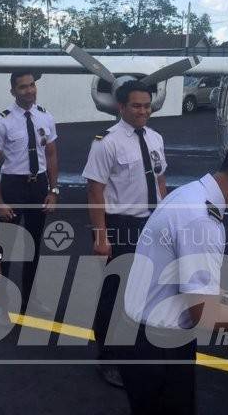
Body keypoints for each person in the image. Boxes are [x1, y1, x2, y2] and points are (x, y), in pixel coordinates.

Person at [120, 134, 228, 414]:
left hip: (143, 337)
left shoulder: (189, 194)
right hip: (159, 346)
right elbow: (205, 315)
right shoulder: (202, 221)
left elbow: (181, 285)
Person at [82, 80, 168, 388]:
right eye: (136, 105)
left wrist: (165, 218)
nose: (143, 110)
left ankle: (137, 348)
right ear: (121, 107)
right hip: (121, 224)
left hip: (151, 224)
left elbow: (160, 181)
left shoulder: (156, 138)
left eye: (147, 105)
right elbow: (95, 191)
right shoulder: (106, 142)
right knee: (114, 294)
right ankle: (108, 358)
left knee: (147, 289)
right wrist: (101, 236)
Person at [0, 71, 59, 314]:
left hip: (38, 187)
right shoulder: (2, 121)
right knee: (6, 247)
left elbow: (51, 155)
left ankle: (30, 300)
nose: (29, 91)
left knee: (34, 246)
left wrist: (53, 190)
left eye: (32, 85)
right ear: (13, 91)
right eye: (23, 87)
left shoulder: (45, 117)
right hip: (13, 187)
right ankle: (2, 305)